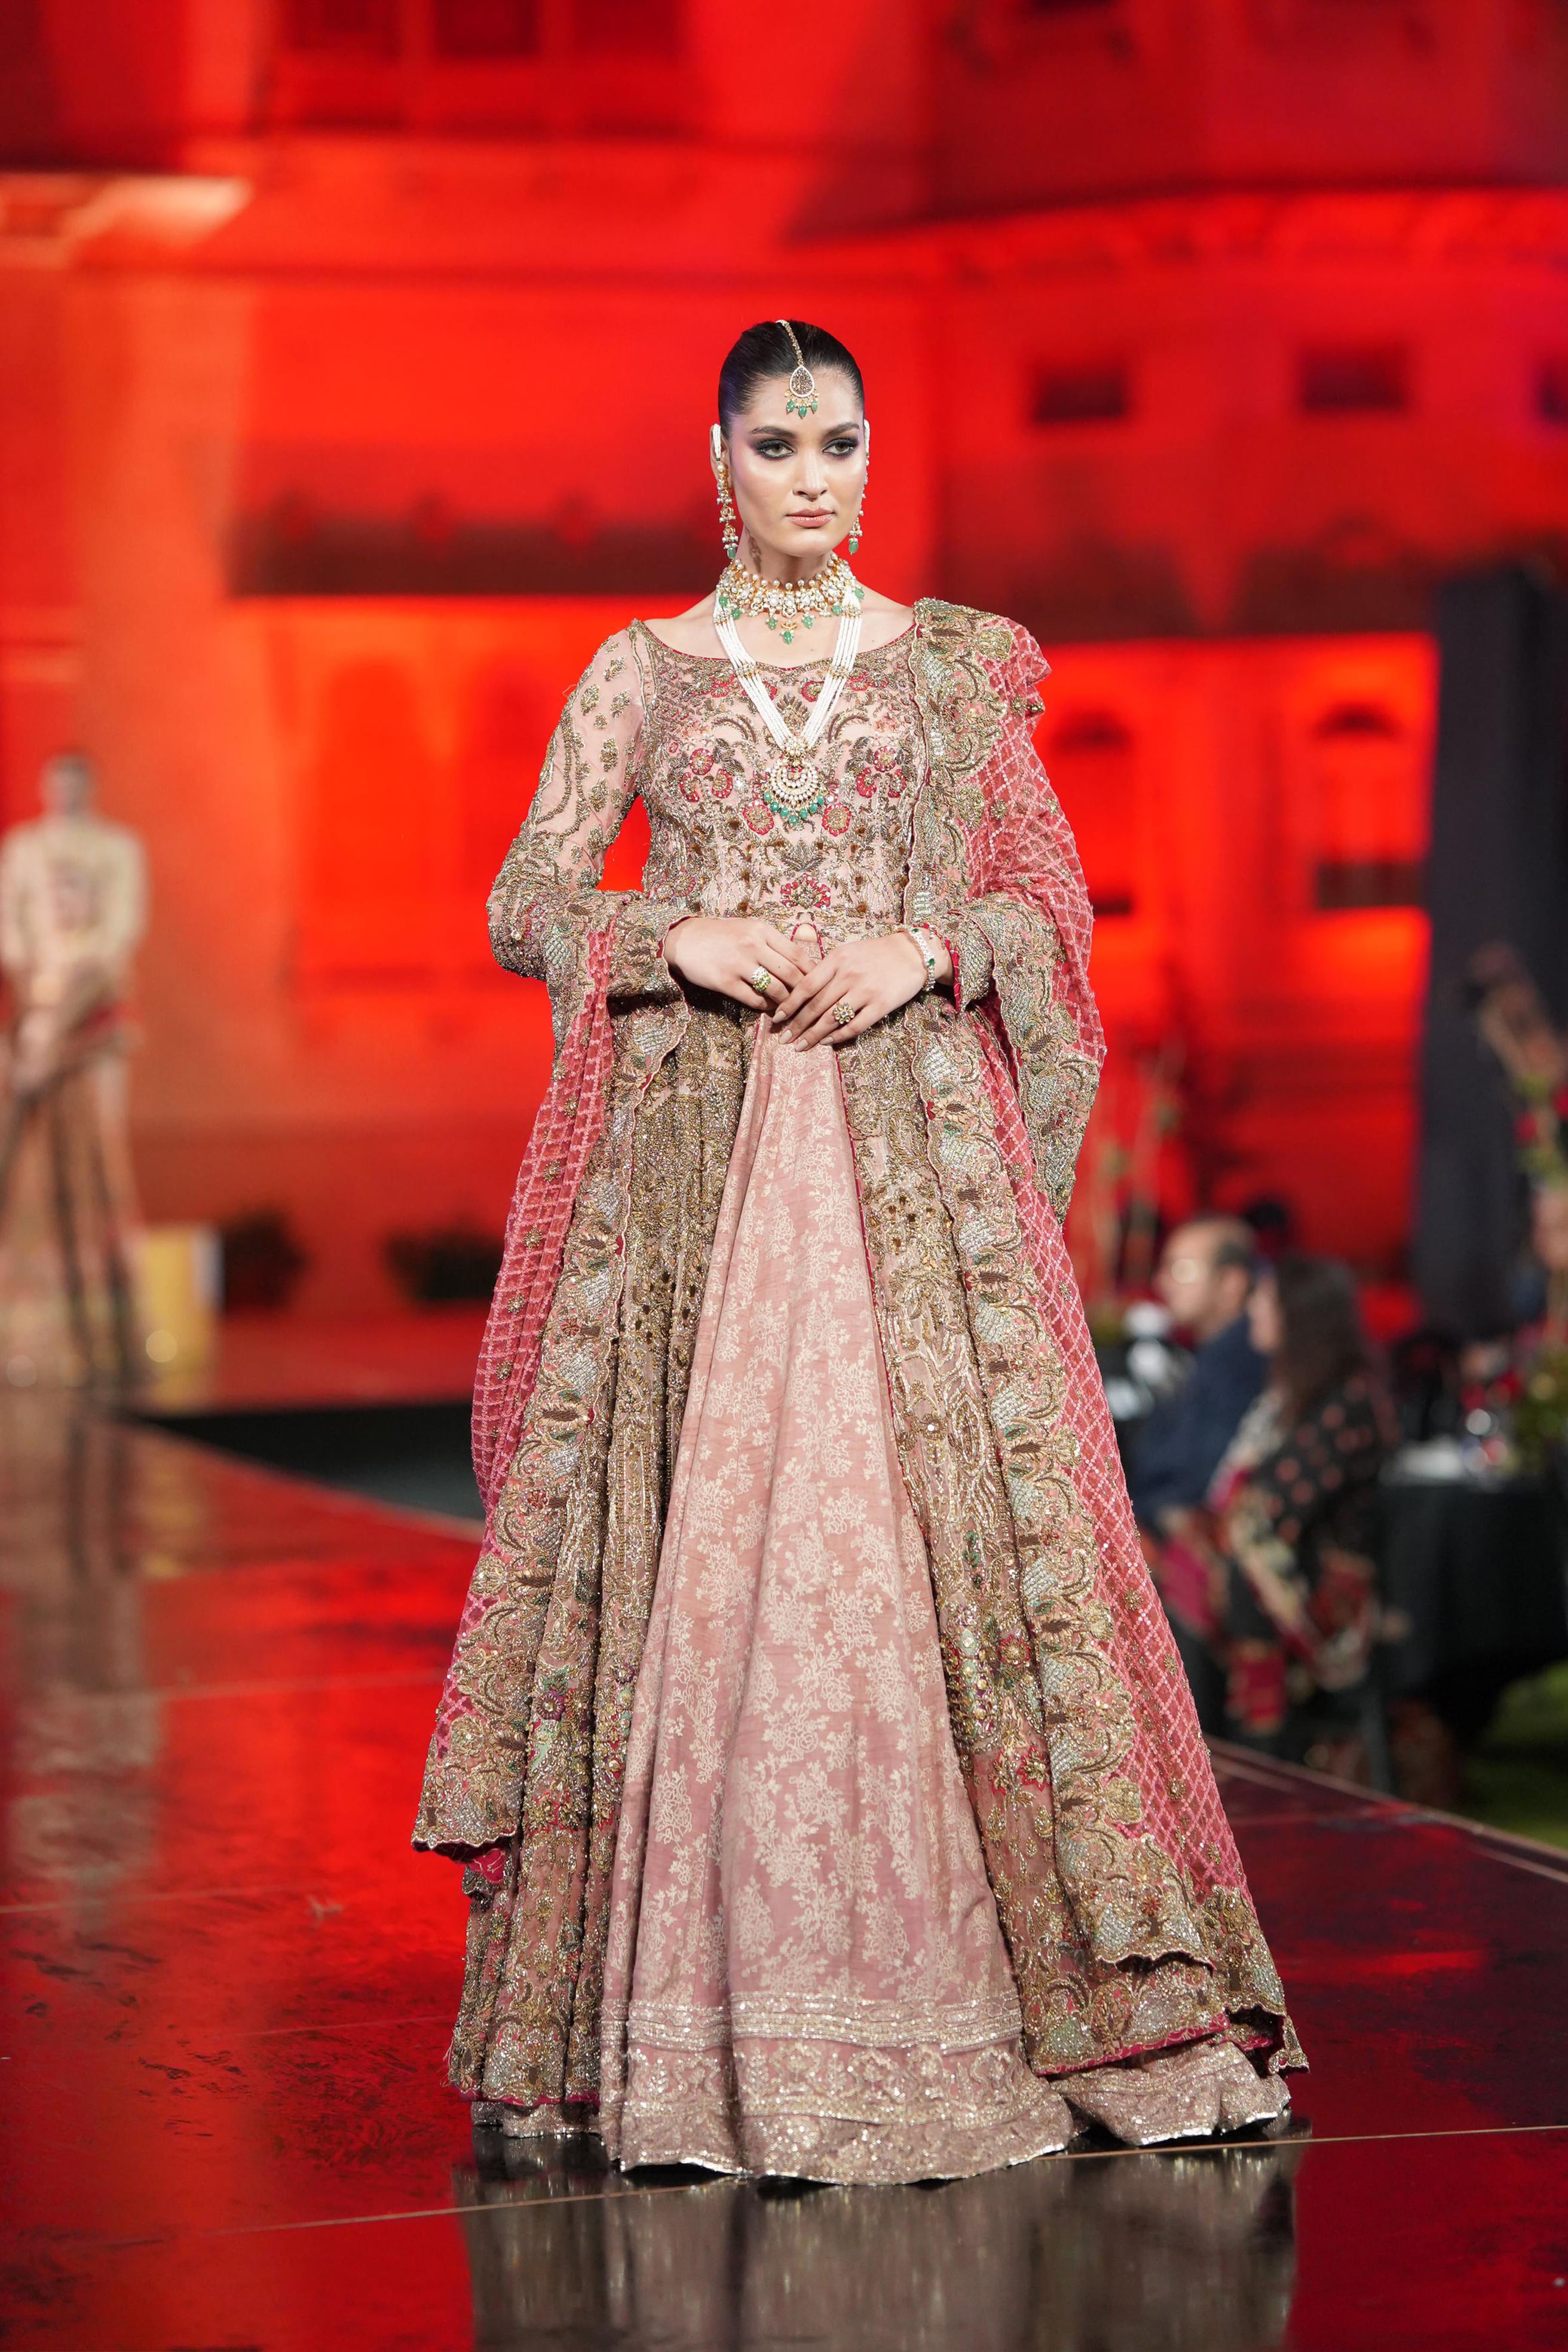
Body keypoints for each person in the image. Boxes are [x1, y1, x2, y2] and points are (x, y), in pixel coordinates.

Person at [415, 319, 1300, 2184]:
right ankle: (689, 2027)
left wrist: (931, 946)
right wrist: (668, 933)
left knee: (922, 1550)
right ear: (717, 458)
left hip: (915, 1170)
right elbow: (523, 895)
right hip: (696, 1181)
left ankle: (987, 1999)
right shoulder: (643, 669)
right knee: (707, 1561)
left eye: (840, 444)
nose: (813, 478)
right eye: (779, 445)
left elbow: (1045, 896)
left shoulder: (954, 666)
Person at [1153, 1255, 1396, 1770]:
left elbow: (1273, 1509)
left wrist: (1210, 1533)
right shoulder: (1287, 1392)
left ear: (1299, 1313)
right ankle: (1198, 1747)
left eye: (1265, 1301)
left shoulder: (1351, 1399)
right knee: (1176, 1566)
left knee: (1197, 1575)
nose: (1254, 1312)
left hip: (1321, 1585)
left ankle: (1219, 1750)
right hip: (1273, 1559)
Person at [0, 751, 146, 1386]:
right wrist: (36, 1024)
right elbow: (13, 932)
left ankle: (104, 1335)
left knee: (95, 1173)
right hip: (37, 1020)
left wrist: (57, 1027)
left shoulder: (117, 849)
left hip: (89, 1034)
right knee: (29, 1176)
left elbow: (119, 934)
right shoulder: (25, 849)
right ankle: (32, 1334)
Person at [1129, 1216, 1266, 1527]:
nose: (1162, 1283)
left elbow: (1194, 1483)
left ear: (1231, 1283)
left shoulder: (1238, 1364)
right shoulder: (1210, 1353)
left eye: (1181, 1270)